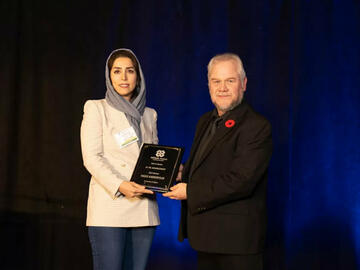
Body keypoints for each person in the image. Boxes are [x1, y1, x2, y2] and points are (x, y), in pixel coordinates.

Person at [163, 53, 272, 270]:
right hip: (206, 237)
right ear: (209, 85)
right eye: (216, 81)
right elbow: (207, 166)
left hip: (236, 242)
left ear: (243, 84)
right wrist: (181, 172)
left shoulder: (256, 126)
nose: (222, 88)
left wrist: (191, 191)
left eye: (229, 81)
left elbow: (242, 180)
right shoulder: (205, 121)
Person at [80, 48, 159, 270]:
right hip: (110, 206)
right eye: (117, 71)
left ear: (138, 76)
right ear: (109, 76)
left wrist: (170, 172)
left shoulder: (150, 114)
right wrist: (120, 185)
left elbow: (153, 158)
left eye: (130, 71)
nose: (124, 77)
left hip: (143, 208)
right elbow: (91, 157)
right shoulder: (96, 108)